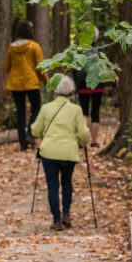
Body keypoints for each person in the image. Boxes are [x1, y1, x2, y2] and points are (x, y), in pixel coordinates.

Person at [31, 75, 91, 230]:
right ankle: (66, 214)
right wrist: (81, 143)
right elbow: (84, 133)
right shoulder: (76, 110)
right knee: (66, 183)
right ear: (70, 92)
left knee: (52, 185)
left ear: (55, 91)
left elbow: (34, 130)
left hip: (48, 152)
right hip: (68, 153)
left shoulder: (46, 108)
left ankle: (56, 220)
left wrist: (40, 144)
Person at [3, 20, 47, 151]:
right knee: (37, 109)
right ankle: (30, 135)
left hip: (16, 85)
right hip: (31, 83)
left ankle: (23, 143)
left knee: (20, 113)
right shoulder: (35, 46)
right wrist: (47, 80)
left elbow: (6, 66)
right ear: (30, 31)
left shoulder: (12, 47)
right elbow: (41, 67)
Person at [73, 27, 105, 148]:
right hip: (98, 84)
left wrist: (76, 84)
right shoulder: (100, 50)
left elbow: (74, 69)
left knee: (84, 111)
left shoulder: (78, 51)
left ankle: (83, 140)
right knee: (95, 111)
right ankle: (94, 141)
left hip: (83, 84)